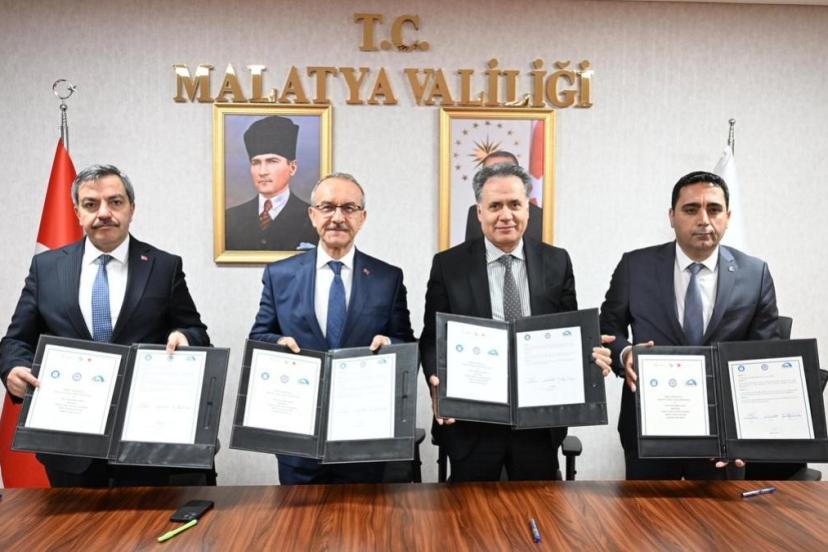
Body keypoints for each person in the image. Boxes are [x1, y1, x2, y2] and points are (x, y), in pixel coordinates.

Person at [0, 164, 214, 487]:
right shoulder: (46, 268)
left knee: (145, 522)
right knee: (75, 523)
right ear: (77, 213)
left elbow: (197, 332)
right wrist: (14, 368)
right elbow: (15, 340)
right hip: (69, 446)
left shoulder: (163, 266)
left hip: (144, 443)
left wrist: (183, 336)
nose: (104, 213)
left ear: (131, 209)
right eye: (91, 204)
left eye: (115, 202)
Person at [420, 163, 613, 482]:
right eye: (495, 206)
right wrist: (435, 382)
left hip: (538, 422)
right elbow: (431, 338)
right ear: (479, 212)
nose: (505, 215)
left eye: (514, 204)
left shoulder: (557, 261)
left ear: (528, 209)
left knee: (538, 507)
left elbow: (570, 332)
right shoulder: (448, 265)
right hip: (473, 421)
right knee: (471, 509)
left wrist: (590, 356)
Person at [599, 170, 779, 480]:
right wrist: (626, 353)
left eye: (714, 209)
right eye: (691, 209)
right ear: (672, 216)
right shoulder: (635, 266)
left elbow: (765, 356)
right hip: (648, 427)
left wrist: (752, 430)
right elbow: (607, 330)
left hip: (722, 435)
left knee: (718, 514)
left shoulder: (755, 273)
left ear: (728, 217)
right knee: (647, 512)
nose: (704, 220)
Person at [249, 172, 415, 484]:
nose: (338, 217)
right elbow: (259, 337)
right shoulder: (279, 275)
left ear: (362, 217)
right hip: (299, 440)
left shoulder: (387, 278)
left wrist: (392, 347)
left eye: (349, 208)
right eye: (327, 207)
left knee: (364, 517)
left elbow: (406, 343)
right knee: (299, 517)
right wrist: (278, 345)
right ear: (313, 215)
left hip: (364, 440)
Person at [225, 115, 319, 251]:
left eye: (272, 161)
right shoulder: (230, 218)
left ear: (292, 167)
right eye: (256, 163)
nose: (262, 171)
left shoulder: (313, 218)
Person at [464, 151, 543, 241]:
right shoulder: (474, 212)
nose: (506, 216)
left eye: (506, 170)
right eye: (490, 172)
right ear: (479, 212)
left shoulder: (540, 216)